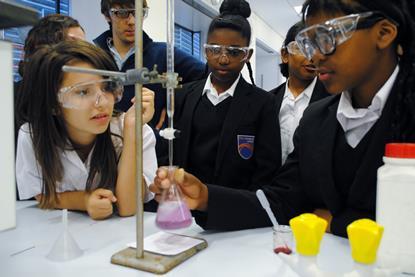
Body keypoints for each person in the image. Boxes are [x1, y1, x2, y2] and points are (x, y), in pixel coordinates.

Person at [151, 0, 415, 237]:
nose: (315, 55)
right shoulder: (316, 120)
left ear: (383, 33)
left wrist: (337, 223)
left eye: (328, 36)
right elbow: (281, 200)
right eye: (310, 42)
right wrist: (207, 198)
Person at [16, 40, 157, 220]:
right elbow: (41, 195)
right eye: (83, 92)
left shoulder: (135, 129)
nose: (103, 103)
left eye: (107, 88)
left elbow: (128, 207)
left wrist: (131, 132)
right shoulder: (32, 135)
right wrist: (84, 201)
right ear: (53, 103)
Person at [166, 0, 280, 195]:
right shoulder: (182, 95)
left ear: (247, 54)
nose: (223, 59)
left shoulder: (263, 103)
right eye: (215, 49)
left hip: (236, 211)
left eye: (234, 52)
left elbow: (266, 171)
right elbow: (169, 153)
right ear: (206, 50)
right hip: (185, 207)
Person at [94, 0, 206, 161]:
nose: (132, 21)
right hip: (101, 154)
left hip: (149, 154)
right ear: (107, 15)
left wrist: (173, 100)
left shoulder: (163, 54)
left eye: (139, 12)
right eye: (123, 13)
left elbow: (206, 76)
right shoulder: (93, 56)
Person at [15, 14, 86, 146]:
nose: (83, 54)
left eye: (83, 47)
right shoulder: (9, 99)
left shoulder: (78, 98)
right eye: (73, 45)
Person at [270, 21, 330, 164]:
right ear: (285, 55)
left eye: (317, 49)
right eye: (303, 48)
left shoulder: (332, 100)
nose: (311, 57)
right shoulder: (269, 100)